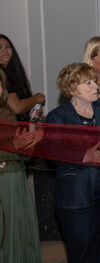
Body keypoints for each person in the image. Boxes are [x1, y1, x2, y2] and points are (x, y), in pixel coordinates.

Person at [47, 63, 100, 263]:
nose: (95, 86)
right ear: (71, 90)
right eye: (88, 83)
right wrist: (86, 156)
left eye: (94, 81)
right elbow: (52, 152)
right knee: (84, 250)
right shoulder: (57, 117)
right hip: (77, 194)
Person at [0, 68, 42, 263]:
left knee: (22, 230)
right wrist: (13, 146)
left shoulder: (7, 113)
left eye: (0, 84)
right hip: (3, 180)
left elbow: (19, 153)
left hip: (17, 177)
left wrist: (28, 146)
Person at [0, 34, 45, 121]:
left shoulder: (12, 73)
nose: (4, 50)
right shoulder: (2, 74)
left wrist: (30, 114)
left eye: (8, 46)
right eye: (0, 47)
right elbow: (16, 108)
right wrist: (36, 98)